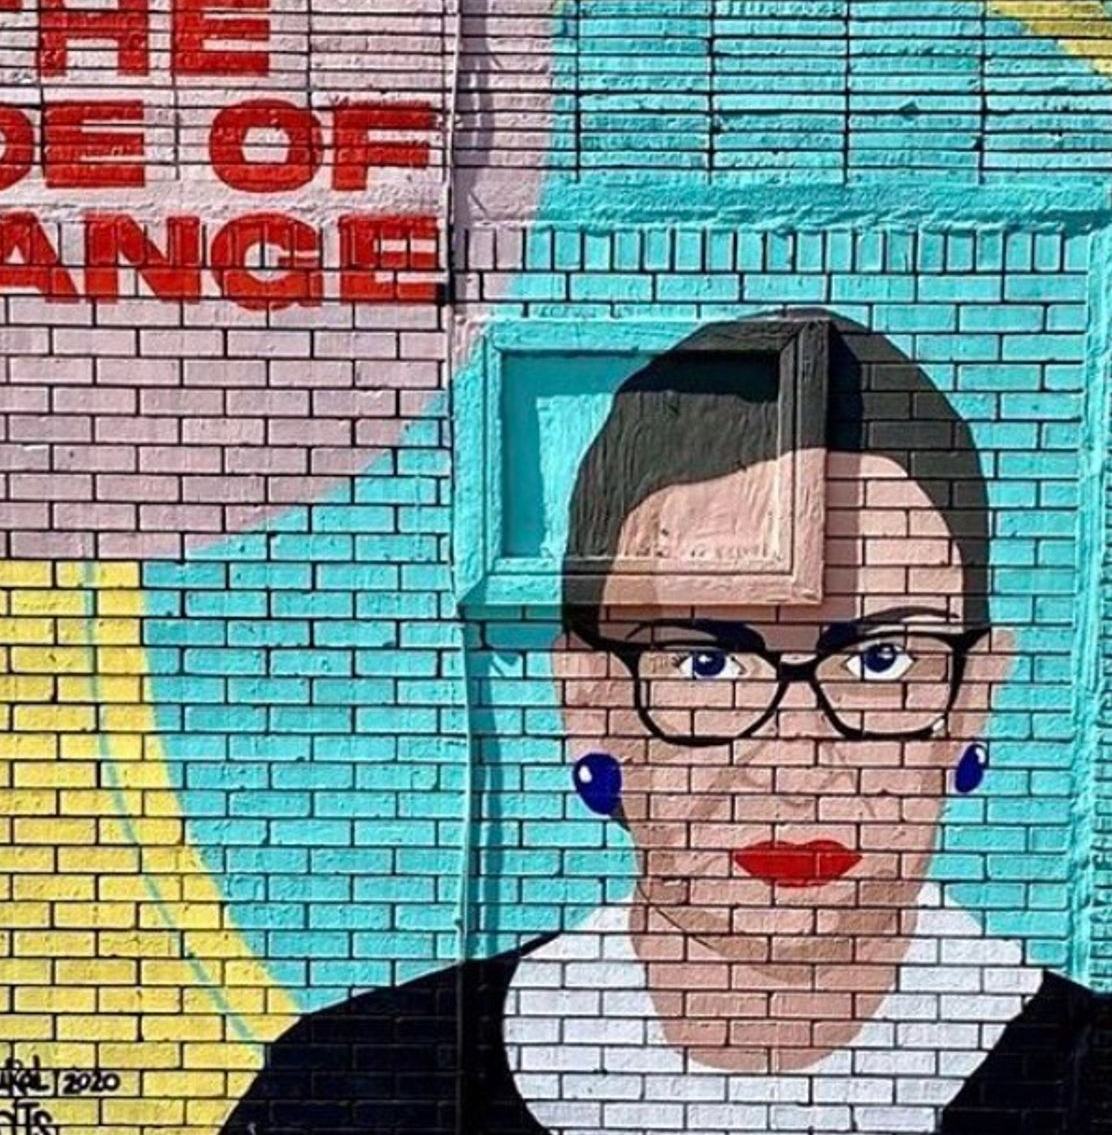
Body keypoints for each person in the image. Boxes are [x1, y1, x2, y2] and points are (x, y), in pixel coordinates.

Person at [221, 313, 1110, 1135]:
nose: (795, 767)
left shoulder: (1084, 1083)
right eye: (706, 662)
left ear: (973, 695)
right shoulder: (355, 1085)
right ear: (588, 697)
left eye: (879, 660)